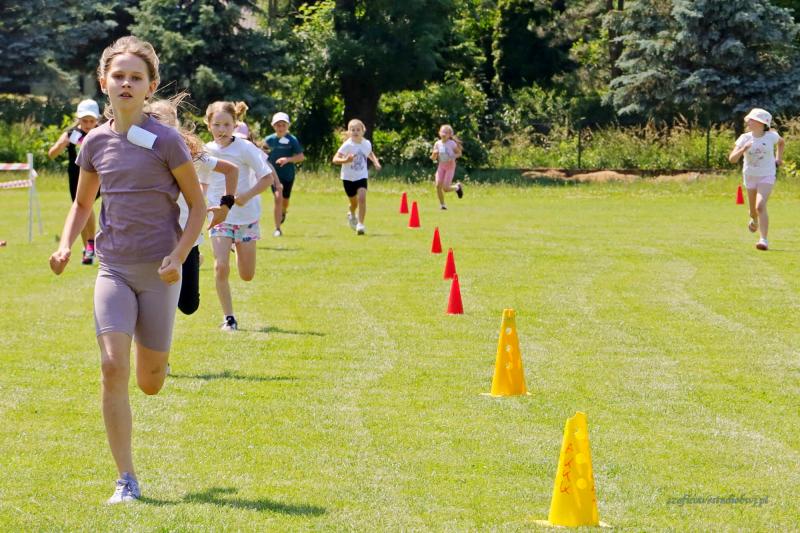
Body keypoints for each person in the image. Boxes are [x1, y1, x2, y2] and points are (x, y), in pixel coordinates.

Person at [48, 36, 209, 504]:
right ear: (104, 82)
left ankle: (157, 356)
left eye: (136, 77)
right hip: (113, 268)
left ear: (150, 86)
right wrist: (65, 245)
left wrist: (179, 256)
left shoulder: (167, 141)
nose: (126, 83)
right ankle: (127, 479)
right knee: (112, 366)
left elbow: (198, 207)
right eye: (118, 75)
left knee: (149, 382)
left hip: (160, 272)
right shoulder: (94, 142)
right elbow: (82, 204)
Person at [146, 95, 239, 315]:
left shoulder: (191, 153)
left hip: (187, 234)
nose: (157, 125)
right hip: (153, 235)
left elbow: (231, 170)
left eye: (162, 120)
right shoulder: (142, 150)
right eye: (152, 119)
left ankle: (194, 258)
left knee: (188, 306)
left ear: (174, 123)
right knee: (155, 299)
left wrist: (226, 206)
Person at [204, 101, 277, 331]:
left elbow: (267, 178)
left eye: (227, 124)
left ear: (235, 124)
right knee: (220, 267)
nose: (222, 130)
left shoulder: (245, 148)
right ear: (208, 125)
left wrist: (246, 196)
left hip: (246, 216)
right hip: (220, 216)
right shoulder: (205, 151)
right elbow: (201, 182)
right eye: (217, 125)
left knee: (246, 275)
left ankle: (236, 247)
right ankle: (229, 318)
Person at [48, 99, 102, 264]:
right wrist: (62, 144)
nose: (88, 124)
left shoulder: (101, 133)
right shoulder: (71, 134)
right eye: (84, 121)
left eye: (91, 121)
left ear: (97, 120)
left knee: (87, 207)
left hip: (96, 177)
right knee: (81, 213)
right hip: (76, 178)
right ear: (78, 119)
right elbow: (51, 154)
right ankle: (88, 250)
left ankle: (91, 246)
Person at [728, 108, 785, 251]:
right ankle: (753, 219)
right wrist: (743, 149)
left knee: (760, 206)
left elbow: (781, 142)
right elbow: (732, 159)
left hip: (767, 175)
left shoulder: (771, 136)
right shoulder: (744, 138)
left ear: (762, 123)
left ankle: (763, 240)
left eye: (752, 119)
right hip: (750, 176)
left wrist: (778, 158)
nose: (749, 121)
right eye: (749, 119)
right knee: (753, 211)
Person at [332, 119, 381, 235]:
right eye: (352, 130)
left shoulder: (366, 143)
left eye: (358, 130)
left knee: (362, 198)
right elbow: (335, 159)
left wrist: (376, 162)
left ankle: (360, 224)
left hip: (361, 176)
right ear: (349, 132)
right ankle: (351, 212)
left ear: (363, 131)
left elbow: (369, 152)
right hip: (348, 178)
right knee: (354, 203)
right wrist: (346, 160)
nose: (355, 132)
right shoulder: (347, 145)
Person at [264, 112, 304, 231]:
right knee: (278, 197)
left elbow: (300, 157)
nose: (281, 128)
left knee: (285, 201)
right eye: (278, 125)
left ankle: (284, 211)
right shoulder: (269, 140)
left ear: (288, 126)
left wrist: (287, 160)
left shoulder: (292, 140)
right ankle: (277, 228)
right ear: (273, 126)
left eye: (283, 125)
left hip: (288, 175)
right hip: (273, 175)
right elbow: (262, 155)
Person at [430, 124, 464, 210]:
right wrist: (434, 153)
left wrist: (452, 157)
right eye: (442, 132)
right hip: (441, 166)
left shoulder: (452, 143)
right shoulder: (437, 143)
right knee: (438, 185)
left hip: (450, 167)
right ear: (439, 133)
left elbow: (459, 153)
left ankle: (457, 187)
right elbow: (433, 158)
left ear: (450, 135)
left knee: (445, 188)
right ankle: (442, 205)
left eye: (446, 132)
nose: (444, 134)